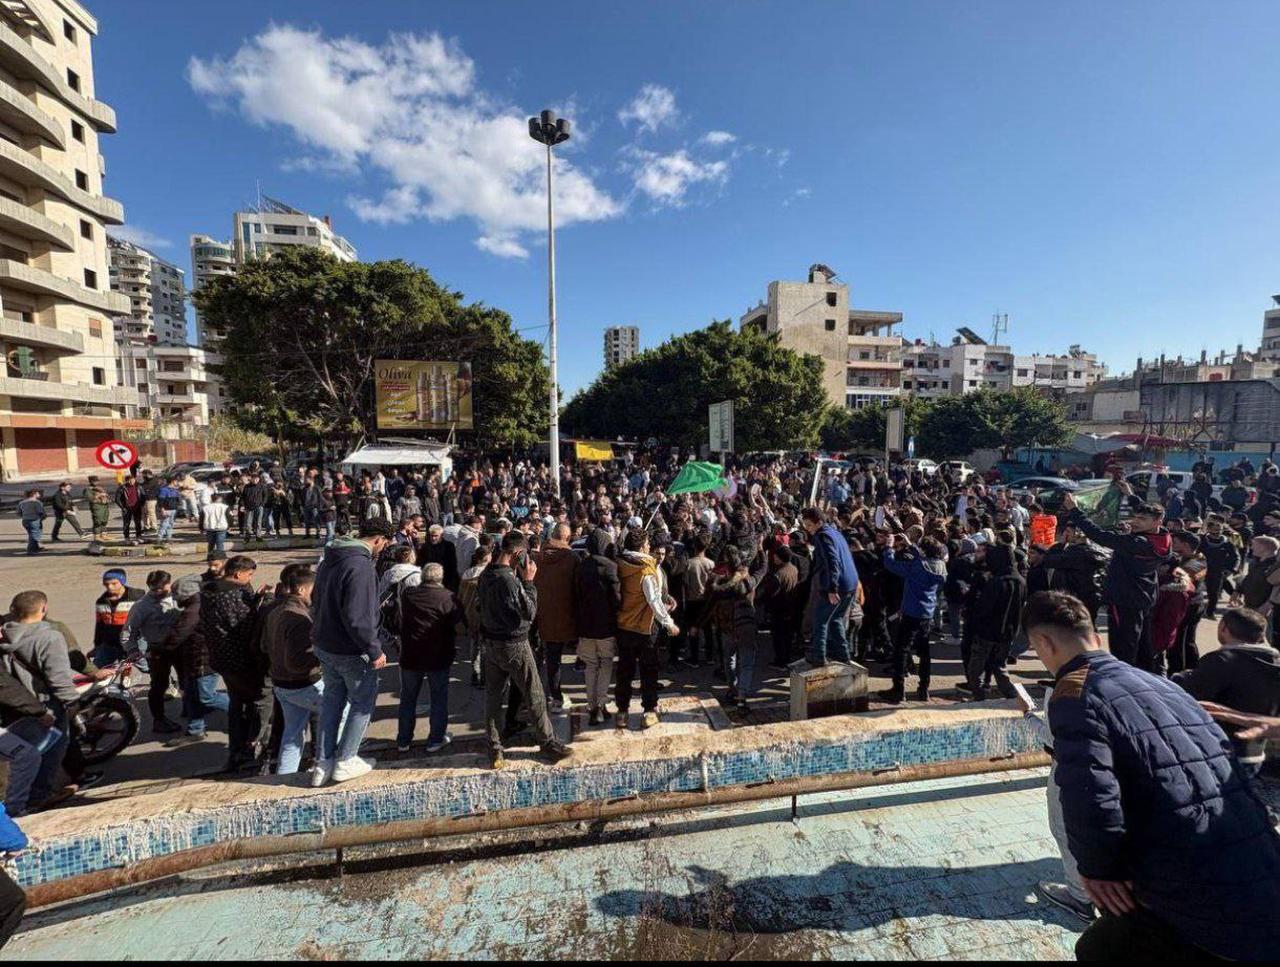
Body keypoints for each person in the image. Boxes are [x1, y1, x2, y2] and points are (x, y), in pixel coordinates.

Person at [1024, 590, 1280, 961]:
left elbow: (1089, 791)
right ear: (1095, 635)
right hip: (1255, 854)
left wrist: (1098, 870)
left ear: (1043, 643)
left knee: (1100, 951)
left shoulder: (1075, 690)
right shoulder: (1160, 683)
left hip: (1197, 887)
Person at [311, 518, 395, 786]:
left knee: (333, 703)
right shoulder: (360, 565)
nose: (382, 550)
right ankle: (346, 759)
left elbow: (316, 600)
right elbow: (358, 617)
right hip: (351, 649)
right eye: (384, 545)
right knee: (361, 703)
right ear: (379, 539)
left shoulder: (331, 557)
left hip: (326, 644)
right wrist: (374, 650)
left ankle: (323, 763)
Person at [477, 531, 571, 768]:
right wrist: (528, 582)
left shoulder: (486, 573)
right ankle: (548, 742)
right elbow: (528, 611)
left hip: (490, 644)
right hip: (514, 644)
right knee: (535, 694)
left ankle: (495, 748)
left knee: (493, 698)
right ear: (518, 553)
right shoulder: (509, 580)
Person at [1061, 491, 1173, 670]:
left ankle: (1125, 681)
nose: (1135, 521)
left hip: (1124, 600)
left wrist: (1074, 510)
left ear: (1157, 522)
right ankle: (1148, 679)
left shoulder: (1138, 543)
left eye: (1142, 519)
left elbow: (1099, 535)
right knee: (1143, 647)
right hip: (1144, 599)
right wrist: (1131, 496)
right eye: (1135, 517)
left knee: (1123, 648)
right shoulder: (1164, 539)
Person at [1172, 607, 1280, 777]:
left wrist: (1181, 677)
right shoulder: (1275, 662)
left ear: (1223, 627)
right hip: (1258, 755)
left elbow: (1184, 698)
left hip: (1219, 754)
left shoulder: (1221, 661)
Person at [200, 555, 269, 771]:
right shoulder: (233, 595)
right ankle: (252, 747)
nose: (250, 579)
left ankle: (236, 751)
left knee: (237, 705)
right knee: (261, 701)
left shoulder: (210, 592)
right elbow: (244, 625)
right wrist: (261, 604)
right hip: (241, 659)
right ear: (238, 574)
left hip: (222, 659)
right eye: (249, 575)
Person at [262, 565, 323, 775]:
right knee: (340, 712)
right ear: (302, 590)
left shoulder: (275, 611)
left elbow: (264, 646)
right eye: (313, 589)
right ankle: (327, 764)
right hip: (302, 684)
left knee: (292, 734)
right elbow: (298, 662)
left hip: (281, 684)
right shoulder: (298, 617)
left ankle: (284, 776)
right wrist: (321, 657)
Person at [397, 563, 463, 753]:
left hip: (411, 654)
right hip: (438, 655)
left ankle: (403, 739)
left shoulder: (409, 595)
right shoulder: (447, 597)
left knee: (408, 698)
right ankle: (435, 739)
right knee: (439, 698)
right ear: (440, 578)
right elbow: (458, 621)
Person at [879, 535, 947, 704]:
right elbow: (923, 561)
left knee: (901, 650)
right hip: (927, 613)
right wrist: (911, 546)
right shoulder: (940, 566)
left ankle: (898, 690)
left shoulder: (917, 566)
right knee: (924, 653)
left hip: (910, 612)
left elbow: (891, 565)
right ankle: (924, 689)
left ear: (924, 550)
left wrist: (889, 547)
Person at [164, 575, 227, 746]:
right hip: (194, 660)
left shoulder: (193, 611)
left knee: (207, 697)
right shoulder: (196, 606)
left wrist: (159, 649)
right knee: (191, 695)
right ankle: (195, 730)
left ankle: (243, 709)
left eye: (176, 594)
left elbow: (177, 636)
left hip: (203, 661)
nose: (175, 598)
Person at [120, 570, 181, 735]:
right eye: (153, 589)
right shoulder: (142, 606)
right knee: (159, 685)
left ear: (169, 584)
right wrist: (132, 650)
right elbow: (128, 632)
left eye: (161, 588)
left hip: (181, 648)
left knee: (189, 681)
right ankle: (159, 720)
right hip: (158, 649)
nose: (157, 593)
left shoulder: (178, 598)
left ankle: (192, 712)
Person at [964, 542, 1026, 700]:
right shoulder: (1021, 581)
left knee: (975, 669)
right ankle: (1013, 697)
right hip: (1008, 633)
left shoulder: (997, 582)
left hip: (988, 632)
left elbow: (983, 608)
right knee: (1000, 667)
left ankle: (978, 697)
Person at [799, 507, 859, 667]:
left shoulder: (823, 536)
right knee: (836, 619)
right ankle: (843, 655)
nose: (808, 529)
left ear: (819, 523)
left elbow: (833, 562)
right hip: (851, 583)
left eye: (809, 525)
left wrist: (832, 589)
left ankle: (819, 658)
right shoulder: (834, 532)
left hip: (837, 584)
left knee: (820, 621)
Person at [575, 527, 620, 725]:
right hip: (606, 626)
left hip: (585, 626)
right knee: (605, 664)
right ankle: (601, 705)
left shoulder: (581, 566)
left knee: (591, 666)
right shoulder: (611, 567)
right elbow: (616, 598)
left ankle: (592, 706)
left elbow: (575, 596)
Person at [533, 522, 579, 709]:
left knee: (544, 657)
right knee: (556, 658)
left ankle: (546, 695)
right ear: (567, 538)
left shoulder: (537, 557)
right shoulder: (572, 558)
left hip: (540, 614)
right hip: (565, 615)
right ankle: (556, 695)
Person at [92, 568, 144, 667]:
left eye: (114, 583)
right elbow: (100, 626)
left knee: (149, 667)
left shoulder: (138, 598)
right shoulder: (101, 602)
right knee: (96, 669)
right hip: (110, 643)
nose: (110, 587)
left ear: (122, 582)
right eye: (106, 584)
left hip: (133, 642)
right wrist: (97, 646)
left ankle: (170, 680)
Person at [458, 545, 491, 688]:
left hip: (469, 614)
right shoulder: (488, 574)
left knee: (475, 645)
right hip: (484, 615)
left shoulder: (466, 574)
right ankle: (484, 676)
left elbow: (460, 596)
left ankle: (475, 673)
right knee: (485, 647)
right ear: (487, 557)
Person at [416, 524, 460, 591]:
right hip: (429, 580)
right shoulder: (425, 547)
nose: (433, 538)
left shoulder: (449, 546)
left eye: (436, 536)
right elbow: (420, 563)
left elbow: (452, 564)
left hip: (445, 578)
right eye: (431, 536)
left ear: (442, 535)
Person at [115, 475, 144, 544]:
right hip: (127, 508)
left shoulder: (138, 486)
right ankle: (127, 538)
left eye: (133, 480)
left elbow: (143, 496)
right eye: (129, 480)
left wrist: (141, 505)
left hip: (137, 507)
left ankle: (138, 536)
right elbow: (117, 499)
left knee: (138, 523)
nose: (131, 482)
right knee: (126, 524)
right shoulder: (122, 488)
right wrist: (123, 507)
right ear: (126, 481)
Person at [17, 488, 45, 555]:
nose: (39, 494)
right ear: (34, 494)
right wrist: (42, 517)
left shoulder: (22, 502)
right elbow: (40, 512)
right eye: (38, 493)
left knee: (31, 534)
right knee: (34, 536)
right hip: (34, 520)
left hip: (25, 521)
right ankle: (30, 550)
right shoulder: (37, 502)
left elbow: (18, 512)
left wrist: (24, 516)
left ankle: (36, 548)